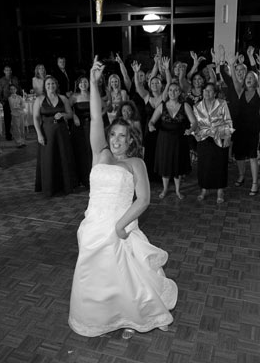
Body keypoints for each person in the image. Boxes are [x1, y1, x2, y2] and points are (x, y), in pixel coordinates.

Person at [68, 56, 177, 339]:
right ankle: (103, 320)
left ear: (131, 140)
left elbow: (143, 201)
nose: (116, 140)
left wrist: (119, 226)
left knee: (126, 280)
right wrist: (93, 83)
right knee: (99, 280)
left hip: (120, 228)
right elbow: (94, 117)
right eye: (113, 134)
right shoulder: (100, 154)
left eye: (122, 136)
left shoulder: (135, 164)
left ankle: (134, 317)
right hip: (92, 228)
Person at [148, 83, 196, 199]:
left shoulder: (185, 106)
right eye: (170, 90)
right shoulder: (161, 106)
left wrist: (190, 130)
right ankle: (165, 189)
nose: (172, 92)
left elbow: (194, 122)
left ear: (179, 92)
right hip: (164, 140)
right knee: (165, 164)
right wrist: (151, 126)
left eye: (175, 90)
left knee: (178, 165)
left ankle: (178, 190)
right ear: (167, 92)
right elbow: (151, 121)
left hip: (179, 140)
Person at [232, 49, 260, 196]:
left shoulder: (259, 93)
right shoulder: (240, 92)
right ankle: (241, 175)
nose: (248, 79)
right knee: (239, 155)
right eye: (247, 77)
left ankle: (254, 183)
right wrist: (232, 63)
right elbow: (235, 79)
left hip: (253, 128)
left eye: (252, 78)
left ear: (255, 81)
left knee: (252, 156)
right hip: (239, 128)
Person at [33, 76, 76, 196]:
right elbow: (36, 118)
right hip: (47, 132)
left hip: (61, 133)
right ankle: (49, 188)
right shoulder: (40, 99)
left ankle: (65, 186)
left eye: (52, 84)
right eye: (48, 84)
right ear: (45, 87)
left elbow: (70, 114)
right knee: (48, 159)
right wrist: (39, 134)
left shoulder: (63, 98)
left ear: (56, 85)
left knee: (63, 157)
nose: (50, 86)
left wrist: (63, 115)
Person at [132, 58, 172, 181]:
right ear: (149, 85)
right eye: (152, 83)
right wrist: (136, 73)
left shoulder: (164, 96)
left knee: (162, 151)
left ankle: (162, 175)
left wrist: (167, 69)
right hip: (148, 128)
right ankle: (150, 176)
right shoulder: (146, 96)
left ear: (161, 85)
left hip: (162, 128)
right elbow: (138, 85)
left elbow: (170, 82)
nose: (154, 85)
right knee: (149, 151)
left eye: (157, 83)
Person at [193, 83, 233, 203]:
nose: (207, 93)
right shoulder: (197, 106)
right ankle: (204, 189)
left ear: (215, 93)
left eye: (210, 91)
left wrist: (227, 136)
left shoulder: (222, 103)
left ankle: (220, 190)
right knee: (204, 165)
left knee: (220, 164)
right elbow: (194, 123)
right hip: (204, 138)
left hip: (219, 137)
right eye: (205, 90)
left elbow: (228, 120)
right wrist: (195, 134)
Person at [70, 76, 92, 188]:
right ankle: (81, 178)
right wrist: (74, 116)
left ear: (88, 83)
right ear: (78, 85)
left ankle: (90, 178)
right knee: (80, 151)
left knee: (90, 152)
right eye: (81, 82)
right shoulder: (74, 97)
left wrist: (97, 116)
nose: (83, 84)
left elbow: (104, 106)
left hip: (91, 126)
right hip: (78, 126)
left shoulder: (93, 94)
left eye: (85, 82)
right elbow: (67, 109)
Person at [0, 66, 20, 141]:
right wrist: (2, 102)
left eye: (9, 70)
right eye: (6, 70)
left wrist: (20, 99)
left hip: (15, 100)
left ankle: (18, 134)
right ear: (4, 71)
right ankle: (8, 135)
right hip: (6, 101)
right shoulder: (1, 80)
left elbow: (19, 88)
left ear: (11, 71)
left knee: (16, 118)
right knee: (7, 119)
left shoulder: (15, 79)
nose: (8, 71)